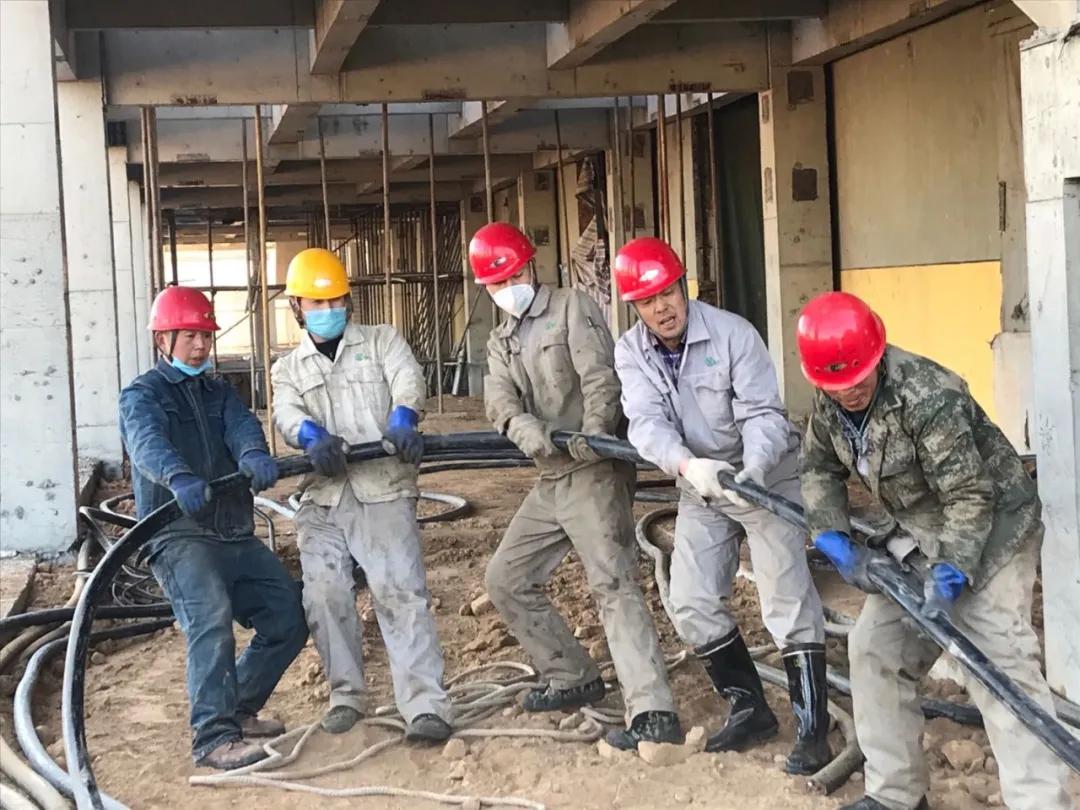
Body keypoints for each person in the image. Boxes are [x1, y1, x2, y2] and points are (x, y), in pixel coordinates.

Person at [798, 291, 1071, 810]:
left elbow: (970, 496)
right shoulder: (830, 396)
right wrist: (832, 535)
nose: (850, 390)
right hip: (917, 535)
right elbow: (817, 467)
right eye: (837, 384)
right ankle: (895, 794)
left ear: (877, 353)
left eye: (859, 377)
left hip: (992, 535)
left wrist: (949, 577)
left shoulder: (928, 394)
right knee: (874, 649)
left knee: (998, 669)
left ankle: (1040, 802)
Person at [611, 237, 829, 773]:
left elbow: (763, 414)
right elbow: (646, 422)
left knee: (786, 599)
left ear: (683, 285)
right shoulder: (631, 351)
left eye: (668, 293)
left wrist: (752, 471)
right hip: (700, 482)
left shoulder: (733, 334)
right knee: (689, 598)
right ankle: (751, 709)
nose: (662, 308)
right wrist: (689, 468)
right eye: (647, 300)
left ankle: (813, 729)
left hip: (764, 477)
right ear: (634, 306)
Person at [470, 222, 682, 750]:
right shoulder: (500, 340)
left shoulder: (572, 308)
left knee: (613, 583)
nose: (509, 287)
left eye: (514, 275)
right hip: (551, 477)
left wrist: (593, 433)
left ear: (531, 266)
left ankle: (653, 709)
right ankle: (571, 675)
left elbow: (600, 377)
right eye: (497, 283)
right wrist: (526, 430)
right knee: (506, 578)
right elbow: (499, 401)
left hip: (593, 472)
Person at [118, 286, 306, 770]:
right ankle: (213, 738)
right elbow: (146, 442)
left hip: (232, 530)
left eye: (205, 336)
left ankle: (239, 708)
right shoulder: (142, 394)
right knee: (211, 618)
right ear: (163, 340)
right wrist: (177, 476)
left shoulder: (219, 391)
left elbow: (241, 426)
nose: (201, 346)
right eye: (189, 336)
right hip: (178, 533)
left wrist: (253, 453)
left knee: (288, 615)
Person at [270, 248, 452, 743]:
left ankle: (424, 706)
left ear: (348, 301)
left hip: (383, 486)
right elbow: (285, 412)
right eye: (317, 303)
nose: (328, 310)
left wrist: (404, 418)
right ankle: (347, 694)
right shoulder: (288, 368)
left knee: (400, 591)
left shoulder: (381, 340)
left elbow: (408, 379)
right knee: (324, 595)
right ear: (297, 308)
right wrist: (310, 436)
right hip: (323, 495)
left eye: (336, 300)